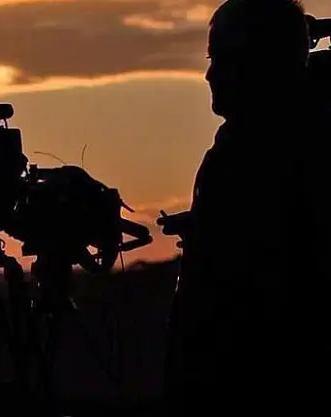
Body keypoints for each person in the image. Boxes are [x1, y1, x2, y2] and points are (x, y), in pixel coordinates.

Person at [158, 0, 330, 415]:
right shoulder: (293, 137)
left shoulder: (254, 152)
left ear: (258, 64)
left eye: (220, 59)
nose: (209, 75)